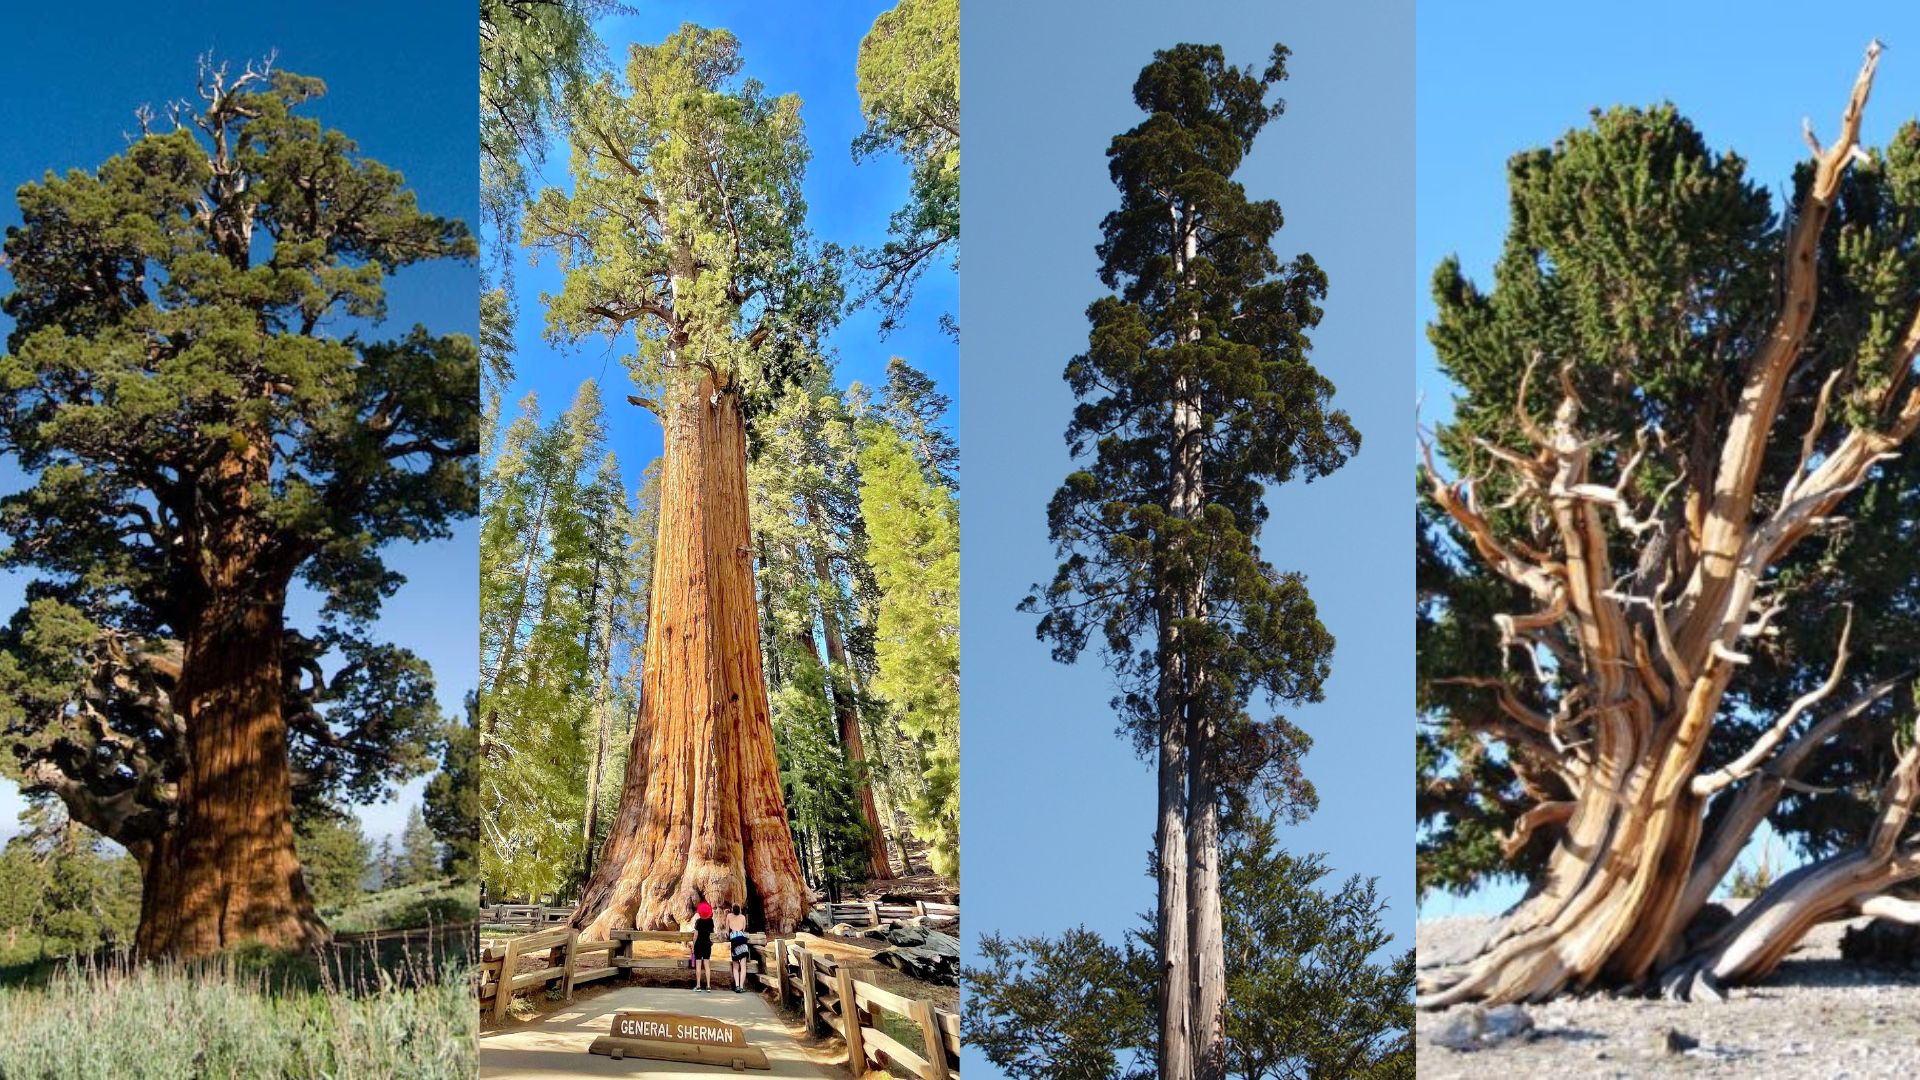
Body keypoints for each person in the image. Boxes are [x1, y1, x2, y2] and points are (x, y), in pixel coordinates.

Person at [692, 901, 716, 992]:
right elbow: (712, 934)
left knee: (698, 965)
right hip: (707, 944)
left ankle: (698, 986)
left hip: (699, 944)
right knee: (707, 965)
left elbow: (695, 935)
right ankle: (708, 986)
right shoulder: (711, 921)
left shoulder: (698, 922)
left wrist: (693, 946)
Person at [727, 905, 751, 992]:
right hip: (742, 940)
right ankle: (741, 987)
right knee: (743, 966)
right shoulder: (743, 917)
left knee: (735, 966)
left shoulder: (729, 916)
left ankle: (737, 986)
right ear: (739, 910)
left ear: (732, 910)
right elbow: (743, 929)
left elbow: (727, 929)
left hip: (734, 941)